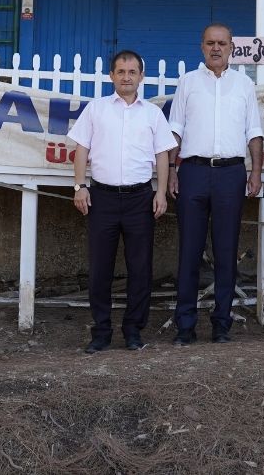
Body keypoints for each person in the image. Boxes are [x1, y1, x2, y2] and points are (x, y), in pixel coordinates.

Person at [68, 49, 175, 353]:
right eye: (120, 72)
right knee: (100, 269)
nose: (126, 77)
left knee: (140, 268)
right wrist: (80, 186)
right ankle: (101, 331)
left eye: (132, 72)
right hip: (101, 197)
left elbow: (163, 156)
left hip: (140, 199)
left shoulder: (152, 114)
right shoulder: (96, 109)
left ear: (141, 76)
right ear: (111, 76)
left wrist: (160, 192)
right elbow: (81, 150)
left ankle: (133, 329)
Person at [167, 23, 264, 345]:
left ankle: (222, 323)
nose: (216, 48)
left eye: (222, 43)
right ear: (202, 46)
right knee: (189, 252)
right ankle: (185, 325)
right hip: (192, 173)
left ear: (232, 47)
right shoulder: (188, 82)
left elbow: (253, 131)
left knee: (226, 252)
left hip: (230, 174)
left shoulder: (244, 85)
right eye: (210, 43)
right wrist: (170, 169)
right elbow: (175, 129)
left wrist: (255, 173)